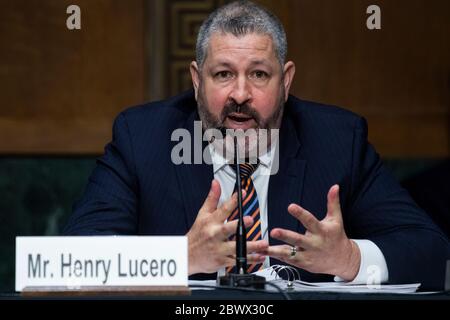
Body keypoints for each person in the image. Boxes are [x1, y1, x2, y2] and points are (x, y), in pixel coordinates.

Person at [63, 1, 450, 290]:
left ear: (287, 80)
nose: (241, 94)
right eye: (223, 74)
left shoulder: (337, 139)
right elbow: (70, 262)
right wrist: (178, 257)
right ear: (197, 80)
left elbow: (431, 250)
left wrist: (349, 259)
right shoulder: (141, 136)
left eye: (259, 74)